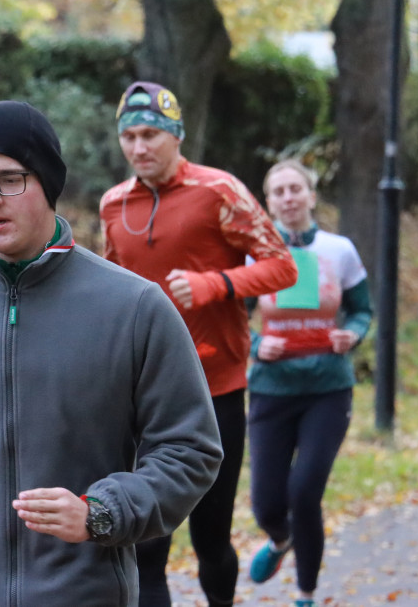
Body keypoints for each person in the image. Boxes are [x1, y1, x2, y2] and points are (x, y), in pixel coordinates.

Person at [0, 100, 223, 606]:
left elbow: (189, 449)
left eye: (10, 179)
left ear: (48, 182)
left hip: (84, 593)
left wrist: (99, 512)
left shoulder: (135, 307)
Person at [99, 81, 297, 607]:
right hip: (142, 395)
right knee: (146, 542)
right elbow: (110, 292)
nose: (139, 147)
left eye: (151, 135)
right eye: (129, 136)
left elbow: (282, 265)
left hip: (216, 386)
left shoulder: (219, 191)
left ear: (177, 135)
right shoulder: (113, 205)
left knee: (211, 537)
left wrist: (216, 284)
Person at [244, 160, 372, 607]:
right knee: (265, 503)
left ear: (312, 195)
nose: (288, 197)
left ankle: (306, 594)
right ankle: (280, 541)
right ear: (268, 202)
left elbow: (361, 310)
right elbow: (232, 321)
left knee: (304, 493)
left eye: (296, 188)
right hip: (271, 390)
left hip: (327, 389)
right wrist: (258, 343)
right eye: (278, 191)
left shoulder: (340, 250)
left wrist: (352, 334)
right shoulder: (253, 252)